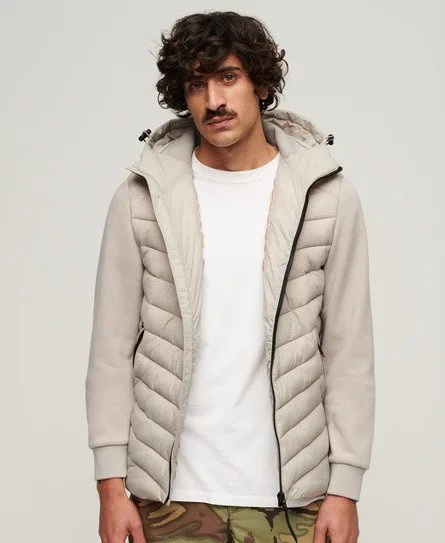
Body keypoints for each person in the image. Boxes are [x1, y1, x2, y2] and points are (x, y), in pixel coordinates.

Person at [85, 11, 375, 543]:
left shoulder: (328, 198)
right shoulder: (142, 197)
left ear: (260, 83)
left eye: (228, 77)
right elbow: (110, 348)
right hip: (169, 499)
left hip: (295, 501)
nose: (213, 100)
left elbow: (348, 351)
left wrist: (345, 489)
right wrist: (110, 485)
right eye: (196, 84)